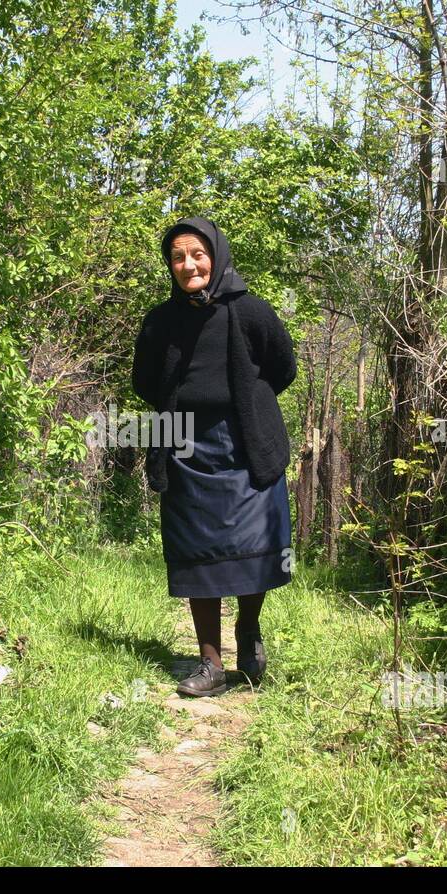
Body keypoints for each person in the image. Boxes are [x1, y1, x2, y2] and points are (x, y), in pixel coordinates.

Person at [131, 216, 298, 698]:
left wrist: (247, 403)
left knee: (253, 545)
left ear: (216, 256)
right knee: (195, 550)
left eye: (197, 254)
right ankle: (211, 664)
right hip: (183, 443)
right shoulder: (161, 321)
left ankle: (248, 630)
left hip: (246, 441)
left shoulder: (252, 313)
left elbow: (282, 366)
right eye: (178, 257)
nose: (189, 265)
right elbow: (144, 381)